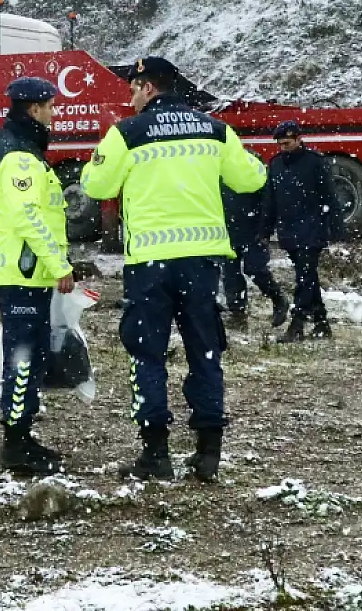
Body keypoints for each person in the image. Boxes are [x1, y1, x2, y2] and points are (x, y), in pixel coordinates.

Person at [82, 57, 266, 482]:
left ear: (147, 88)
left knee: (147, 353)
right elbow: (251, 178)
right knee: (205, 352)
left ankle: (155, 453)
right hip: (202, 263)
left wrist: (101, 161)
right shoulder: (214, 128)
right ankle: (208, 454)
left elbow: (96, 185)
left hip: (149, 265)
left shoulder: (127, 133)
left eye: (132, 89)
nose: (130, 98)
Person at [0, 76, 74, 476]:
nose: (53, 114)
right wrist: (59, 265)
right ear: (34, 109)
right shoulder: (19, 155)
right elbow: (28, 217)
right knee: (22, 358)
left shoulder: (18, 146)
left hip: (24, 271)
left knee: (30, 356)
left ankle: (21, 437)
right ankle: (15, 443)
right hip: (22, 272)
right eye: (50, 107)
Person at [264, 121, 345, 343]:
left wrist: (336, 229)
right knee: (307, 278)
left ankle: (297, 324)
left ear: (299, 139)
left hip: (311, 229)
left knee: (304, 277)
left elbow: (329, 197)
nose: (283, 148)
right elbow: (271, 200)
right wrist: (265, 229)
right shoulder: (276, 164)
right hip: (289, 230)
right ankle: (321, 324)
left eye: (287, 143)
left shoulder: (315, 163)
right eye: (280, 144)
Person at [221, 184, 288, 329]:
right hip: (227, 227)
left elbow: (269, 198)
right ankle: (238, 315)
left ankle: (278, 298)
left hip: (253, 227)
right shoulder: (219, 166)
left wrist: (267, 227)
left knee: (255, 269)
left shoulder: (254, 166)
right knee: (230, 273)